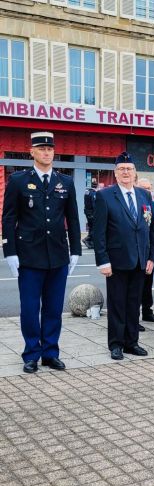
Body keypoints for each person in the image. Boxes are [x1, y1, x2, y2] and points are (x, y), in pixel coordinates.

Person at [2, 131, 81, 373]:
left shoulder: (65, 182)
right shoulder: (18, 180)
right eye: (42, 149)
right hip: (29, 255)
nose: (47, 152)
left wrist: (75, 249)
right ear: (32, 152)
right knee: (29, 309)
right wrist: (10, 252)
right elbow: (9, 218)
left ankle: (50, 353)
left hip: (57, 255)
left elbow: (73, 219)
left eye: (50, 149)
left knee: (53, 309)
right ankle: (31, 354)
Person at [93, 152, 154, 360]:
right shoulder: (105, 196)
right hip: (117, 262)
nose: (126, 172)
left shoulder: (144, 195)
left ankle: (132, 342)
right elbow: (98, 232)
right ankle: (116, 344)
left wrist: (152, 257)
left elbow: (151, 228)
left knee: (133, 304)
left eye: (129, 169)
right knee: (117, 305)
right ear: (115, 173)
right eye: (122, 169)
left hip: (140, 260)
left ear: (135, 172)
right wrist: (103, 260)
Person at [136, 178, 154, 328]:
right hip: (137, 250)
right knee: (137, 287)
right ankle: (135, 316)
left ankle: (147, 311)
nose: (147, 191)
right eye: (144, 188)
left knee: (147, 284)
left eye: (149, 188)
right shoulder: (135, 203)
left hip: (149, 250)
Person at [82, 178, 97, 249]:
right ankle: (87, 239)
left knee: (91, 227)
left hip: (87, 212)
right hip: (92, 213)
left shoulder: (87, 192)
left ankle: (91, 242)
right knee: (94, 228)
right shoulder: (93, 193)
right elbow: (94, 204)